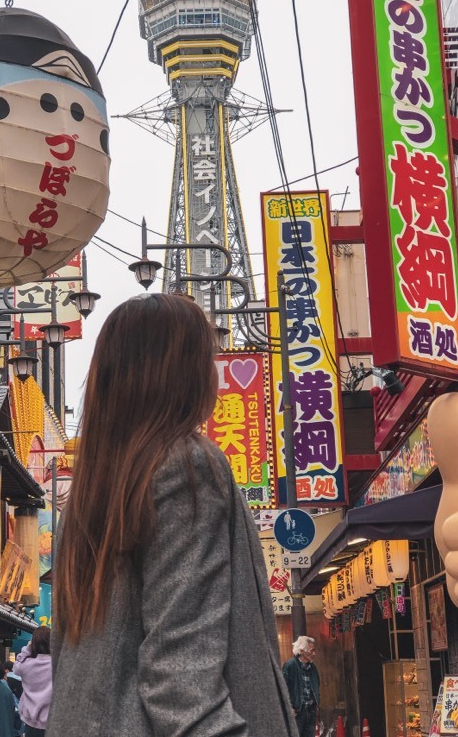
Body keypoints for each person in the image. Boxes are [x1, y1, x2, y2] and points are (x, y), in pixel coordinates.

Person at [48, 293, 297, 736]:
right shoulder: (186, 467)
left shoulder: (89, 495)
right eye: (206, 358)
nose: (215, 375)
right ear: (179, 372)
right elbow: (182, 676)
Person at [13, 626, 52, 737]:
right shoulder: (57, 664)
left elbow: (15, 667)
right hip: (52, 721)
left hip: (31, 723)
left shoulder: (26, 665)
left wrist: (28, 647)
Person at [282, 636, 320, 737]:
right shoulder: (290, 666)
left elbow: (317, 688)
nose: (314, 654)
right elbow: (282, 688)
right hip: (297, 713)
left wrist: (316, 706)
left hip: (310, 712)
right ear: (302, 651)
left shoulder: (313, 668)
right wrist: (288, 708)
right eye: (312, 651)